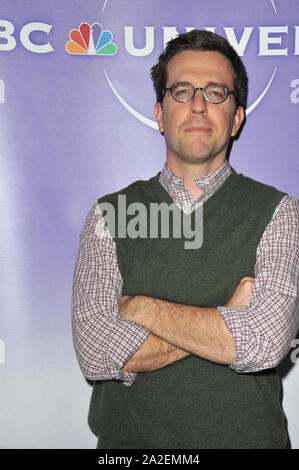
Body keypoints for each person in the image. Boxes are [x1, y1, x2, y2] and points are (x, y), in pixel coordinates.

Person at [72, 30, 299, 449]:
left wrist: (141, 308)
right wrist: (226, 319)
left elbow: (265, 344)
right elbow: (97, 352)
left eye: (215, 92)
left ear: (236, 117)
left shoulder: (279, 211)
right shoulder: (110, 215)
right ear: (159, 114)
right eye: (182, 91)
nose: (198, 104)